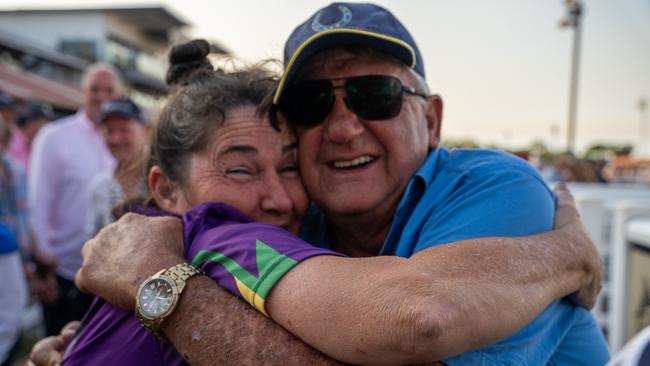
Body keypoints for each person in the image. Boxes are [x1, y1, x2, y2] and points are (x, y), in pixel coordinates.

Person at [59, 40, 597, 366]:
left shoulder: (499, 187)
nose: (342, 127)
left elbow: (418, 313)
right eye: (314, 104)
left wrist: (158, 290)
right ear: (166, 188)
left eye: (375, 95)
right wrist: (568, 255)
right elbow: (417, 313)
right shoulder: (229, 228)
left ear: (431, 119)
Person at [28, 63, 122, 335]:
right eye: (95, 89)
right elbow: (39, 202)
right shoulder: (54, 137)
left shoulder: (129, 139)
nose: (101, 96)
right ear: (83, 91)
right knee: (61, 351)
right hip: (66, 272)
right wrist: (44, 268)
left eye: (109, 89)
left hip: (114, 276)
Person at [86, 97, 149, 237]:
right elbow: (91, 240)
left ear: (145, 131)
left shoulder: (162, 179)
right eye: (109, 131)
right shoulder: (100, 186)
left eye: (124, 130)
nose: (116, 139)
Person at [0, 113, 29, 366]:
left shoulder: (14, 171)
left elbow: (23, 214)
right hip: (7, 249)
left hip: (11, 252)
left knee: (12, 317)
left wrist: (28, 258)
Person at [8, 102, 52, 172]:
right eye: (42, 123)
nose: (46, 127)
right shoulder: (11, 139)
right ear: (31, 123)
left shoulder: (35, 142)